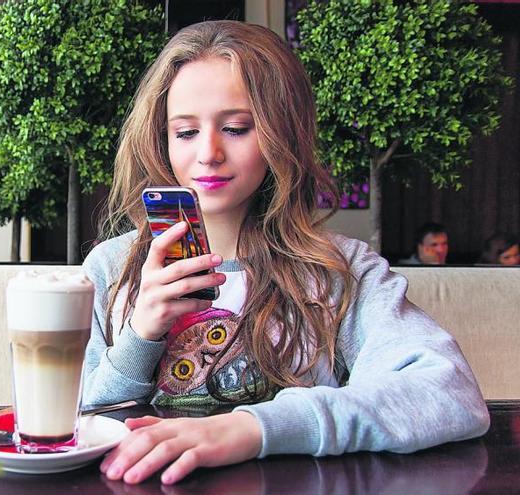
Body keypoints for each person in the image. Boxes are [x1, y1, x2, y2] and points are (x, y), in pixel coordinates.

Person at [80, 21, 488, 486]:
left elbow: (449, 392)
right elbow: (66, 425)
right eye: (186, 132)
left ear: (282, 134)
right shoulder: (112, 269)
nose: (209, 153)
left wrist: (255, 428)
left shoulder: (340, 271)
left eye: (236, 128)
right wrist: (140, 336)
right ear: (161, 139)